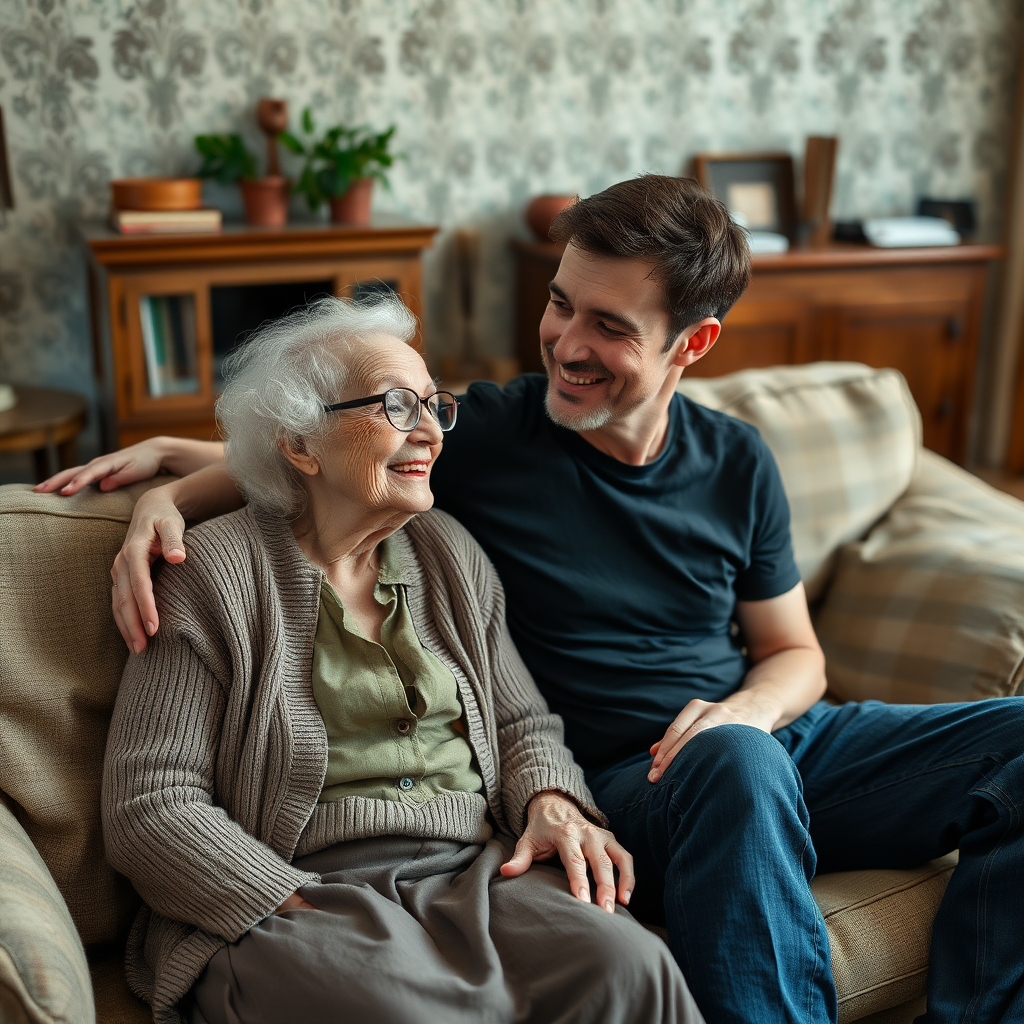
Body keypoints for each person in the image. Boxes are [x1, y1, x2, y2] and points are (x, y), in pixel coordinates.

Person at [48, 175, 1024, 1024]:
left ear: (694, 343)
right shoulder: (498, 436)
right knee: (733, 767)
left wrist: (743, 712)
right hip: (638, 778)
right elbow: (322, 446)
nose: (564, 341)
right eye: (561, 304)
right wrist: (164, 498)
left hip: (744, 743)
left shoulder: (737, 461)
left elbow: (794, 652)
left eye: (610, 325)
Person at [97, 294, 701, 1024]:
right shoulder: (212, 574)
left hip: (474, 869)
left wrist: (551, 802)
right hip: (295, 883)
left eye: (433, 406)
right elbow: (151, 803)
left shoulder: (448, 551)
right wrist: (283, 900)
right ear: (300, 443)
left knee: (631, 965)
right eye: (395, 405)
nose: (432, 432)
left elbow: (521, 724)